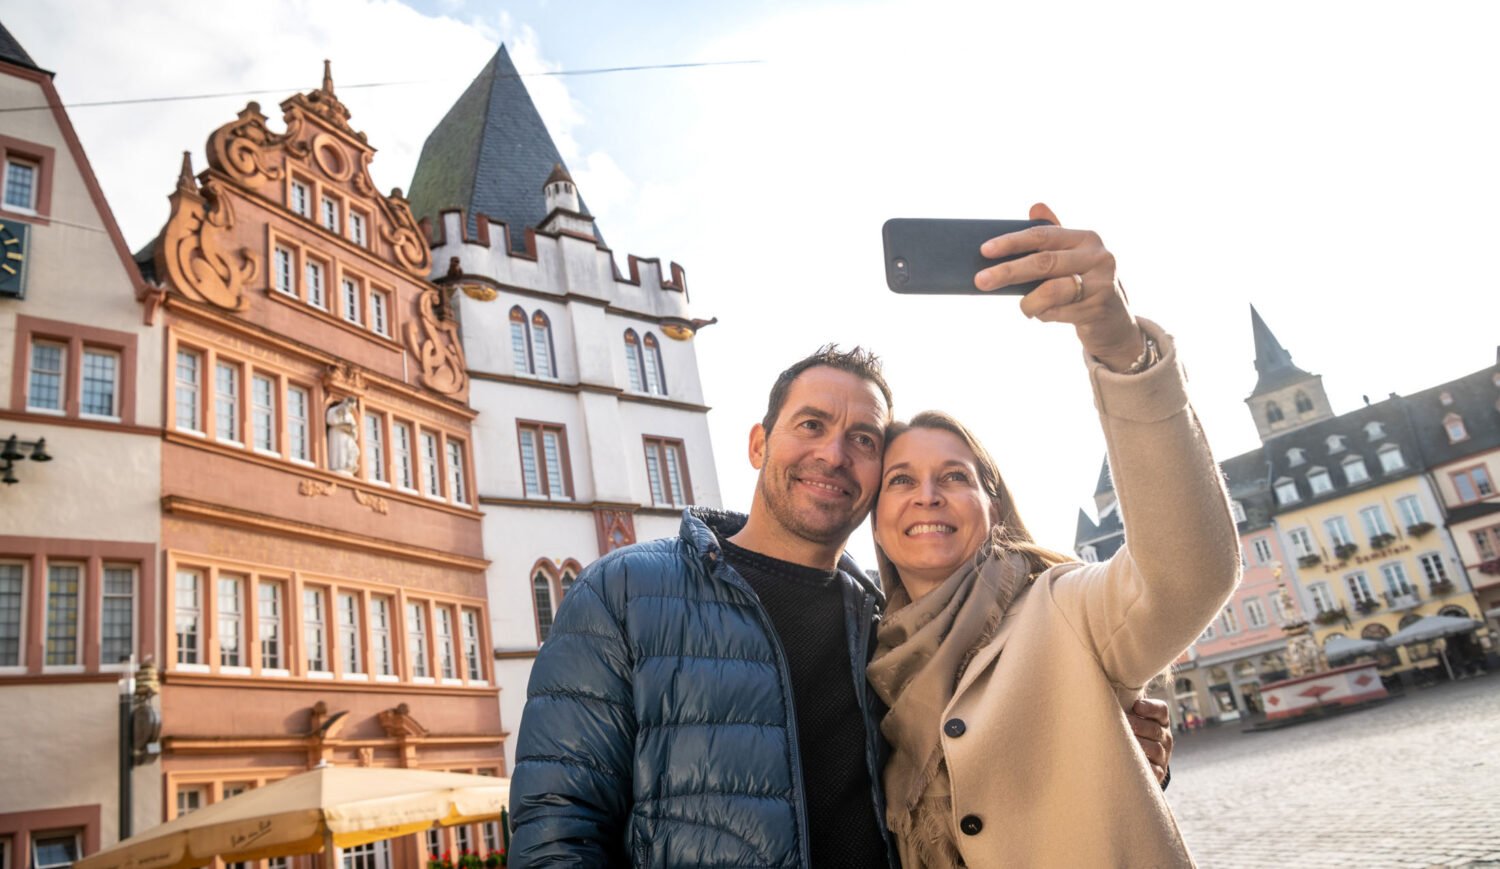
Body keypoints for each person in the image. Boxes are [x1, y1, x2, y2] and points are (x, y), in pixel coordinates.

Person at [506, 203, 1178, 868]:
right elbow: (558, 834)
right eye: (810, 425)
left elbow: (972, 774)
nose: (833, 453)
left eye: (862, 439)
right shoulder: (624, 592)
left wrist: (1105, 738)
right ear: (758, 443)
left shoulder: (891, 625)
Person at [865, 205, 1240, 867]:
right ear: (875, 514)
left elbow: (1188, 577)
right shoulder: (864, 659)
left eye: (954, 474)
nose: (927, 494)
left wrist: (1119, 348)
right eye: (901, 479)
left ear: (993, 504)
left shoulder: (1065, 608)